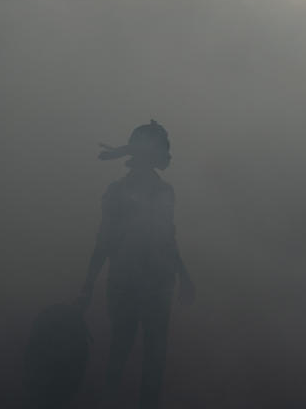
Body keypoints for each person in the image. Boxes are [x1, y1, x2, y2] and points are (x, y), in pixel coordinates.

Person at [77, 120, 195, 408]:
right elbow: (105, 241)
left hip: (153, 283)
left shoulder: (162, 192)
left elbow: (167, 237)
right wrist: (88, 285)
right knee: (123, 352)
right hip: (130, 283)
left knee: (150, 358)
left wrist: (184, 275)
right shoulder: (120, 192)